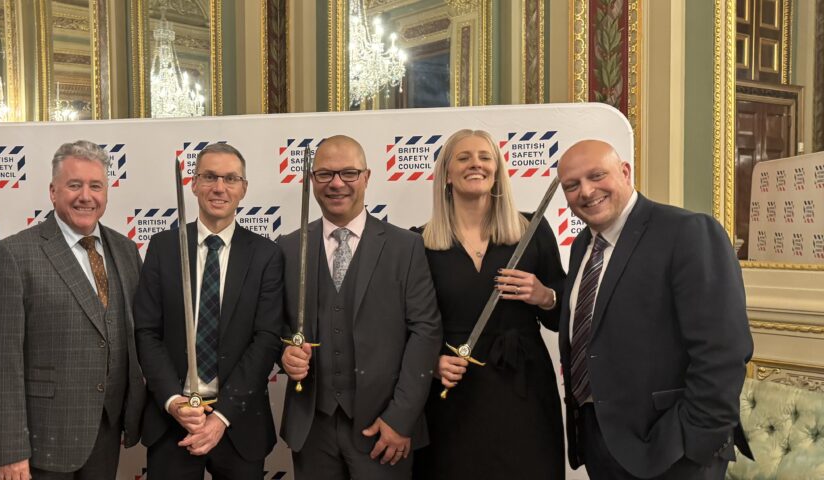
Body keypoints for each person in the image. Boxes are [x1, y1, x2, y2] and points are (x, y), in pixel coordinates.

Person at [556, 139, 753, 479]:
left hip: (673, 452)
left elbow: (723, 351)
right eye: (571, 186)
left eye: (597, 175)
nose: (586, 192)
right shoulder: (582, 247)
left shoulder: (687, 232)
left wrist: (697, 442)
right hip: (602, 445)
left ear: (625, 172)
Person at [278, 134, 443, 479]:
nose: (337, 183)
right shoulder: (288, 248)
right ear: (312, 181)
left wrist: (400, 418)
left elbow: (426, 332)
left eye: (349, 173)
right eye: (325, 174)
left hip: (383, 428)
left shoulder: (406, 246)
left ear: (367, 177)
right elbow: (274, 327)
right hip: (312, 428)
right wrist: (284, 353)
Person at [0, 141, 146, 480]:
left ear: (106, 192)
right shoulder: (14, 254)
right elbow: (1, 361)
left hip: (107, 429)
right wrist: (11, 451)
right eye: (74, 185)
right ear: (53, 192)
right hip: (44, 439)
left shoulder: (126, 250)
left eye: (95, 186)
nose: (86, 196)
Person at [409, 129, 564, 479]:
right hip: (454, 391)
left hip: (523, 386)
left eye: (484, 157)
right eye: (463, 158)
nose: (475, 164)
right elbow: (406, 325)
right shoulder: (418, 242)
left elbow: (562, 314)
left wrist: (545, 296)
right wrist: (431, 364)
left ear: (497, 170)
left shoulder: (533, 230)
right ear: (446, 173)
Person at [134, 143, 285, 479]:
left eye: (231, 178)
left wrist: (221, 417)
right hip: (173, 420)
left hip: (239, 421)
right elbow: (146, 332)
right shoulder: (162, 248)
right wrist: (173, 400)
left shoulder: (266, 256)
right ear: (194, 183)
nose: (220, 187)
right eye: (210, 177)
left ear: (244, 188)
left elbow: (266, 339)